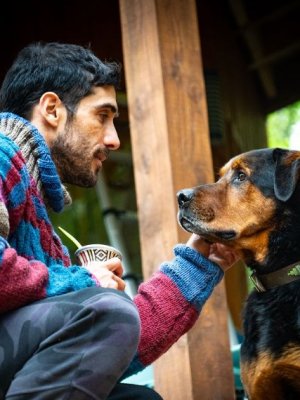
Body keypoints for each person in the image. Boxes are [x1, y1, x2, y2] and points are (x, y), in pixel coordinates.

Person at [0, 42, 238, 400]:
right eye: (102, 116)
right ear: (52, 109)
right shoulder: (2, 156)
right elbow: (104, 316)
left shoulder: (41, 230)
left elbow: (112, 347)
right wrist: (85, 282)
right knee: (106, 311)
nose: (114, 139)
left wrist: (197, 265)